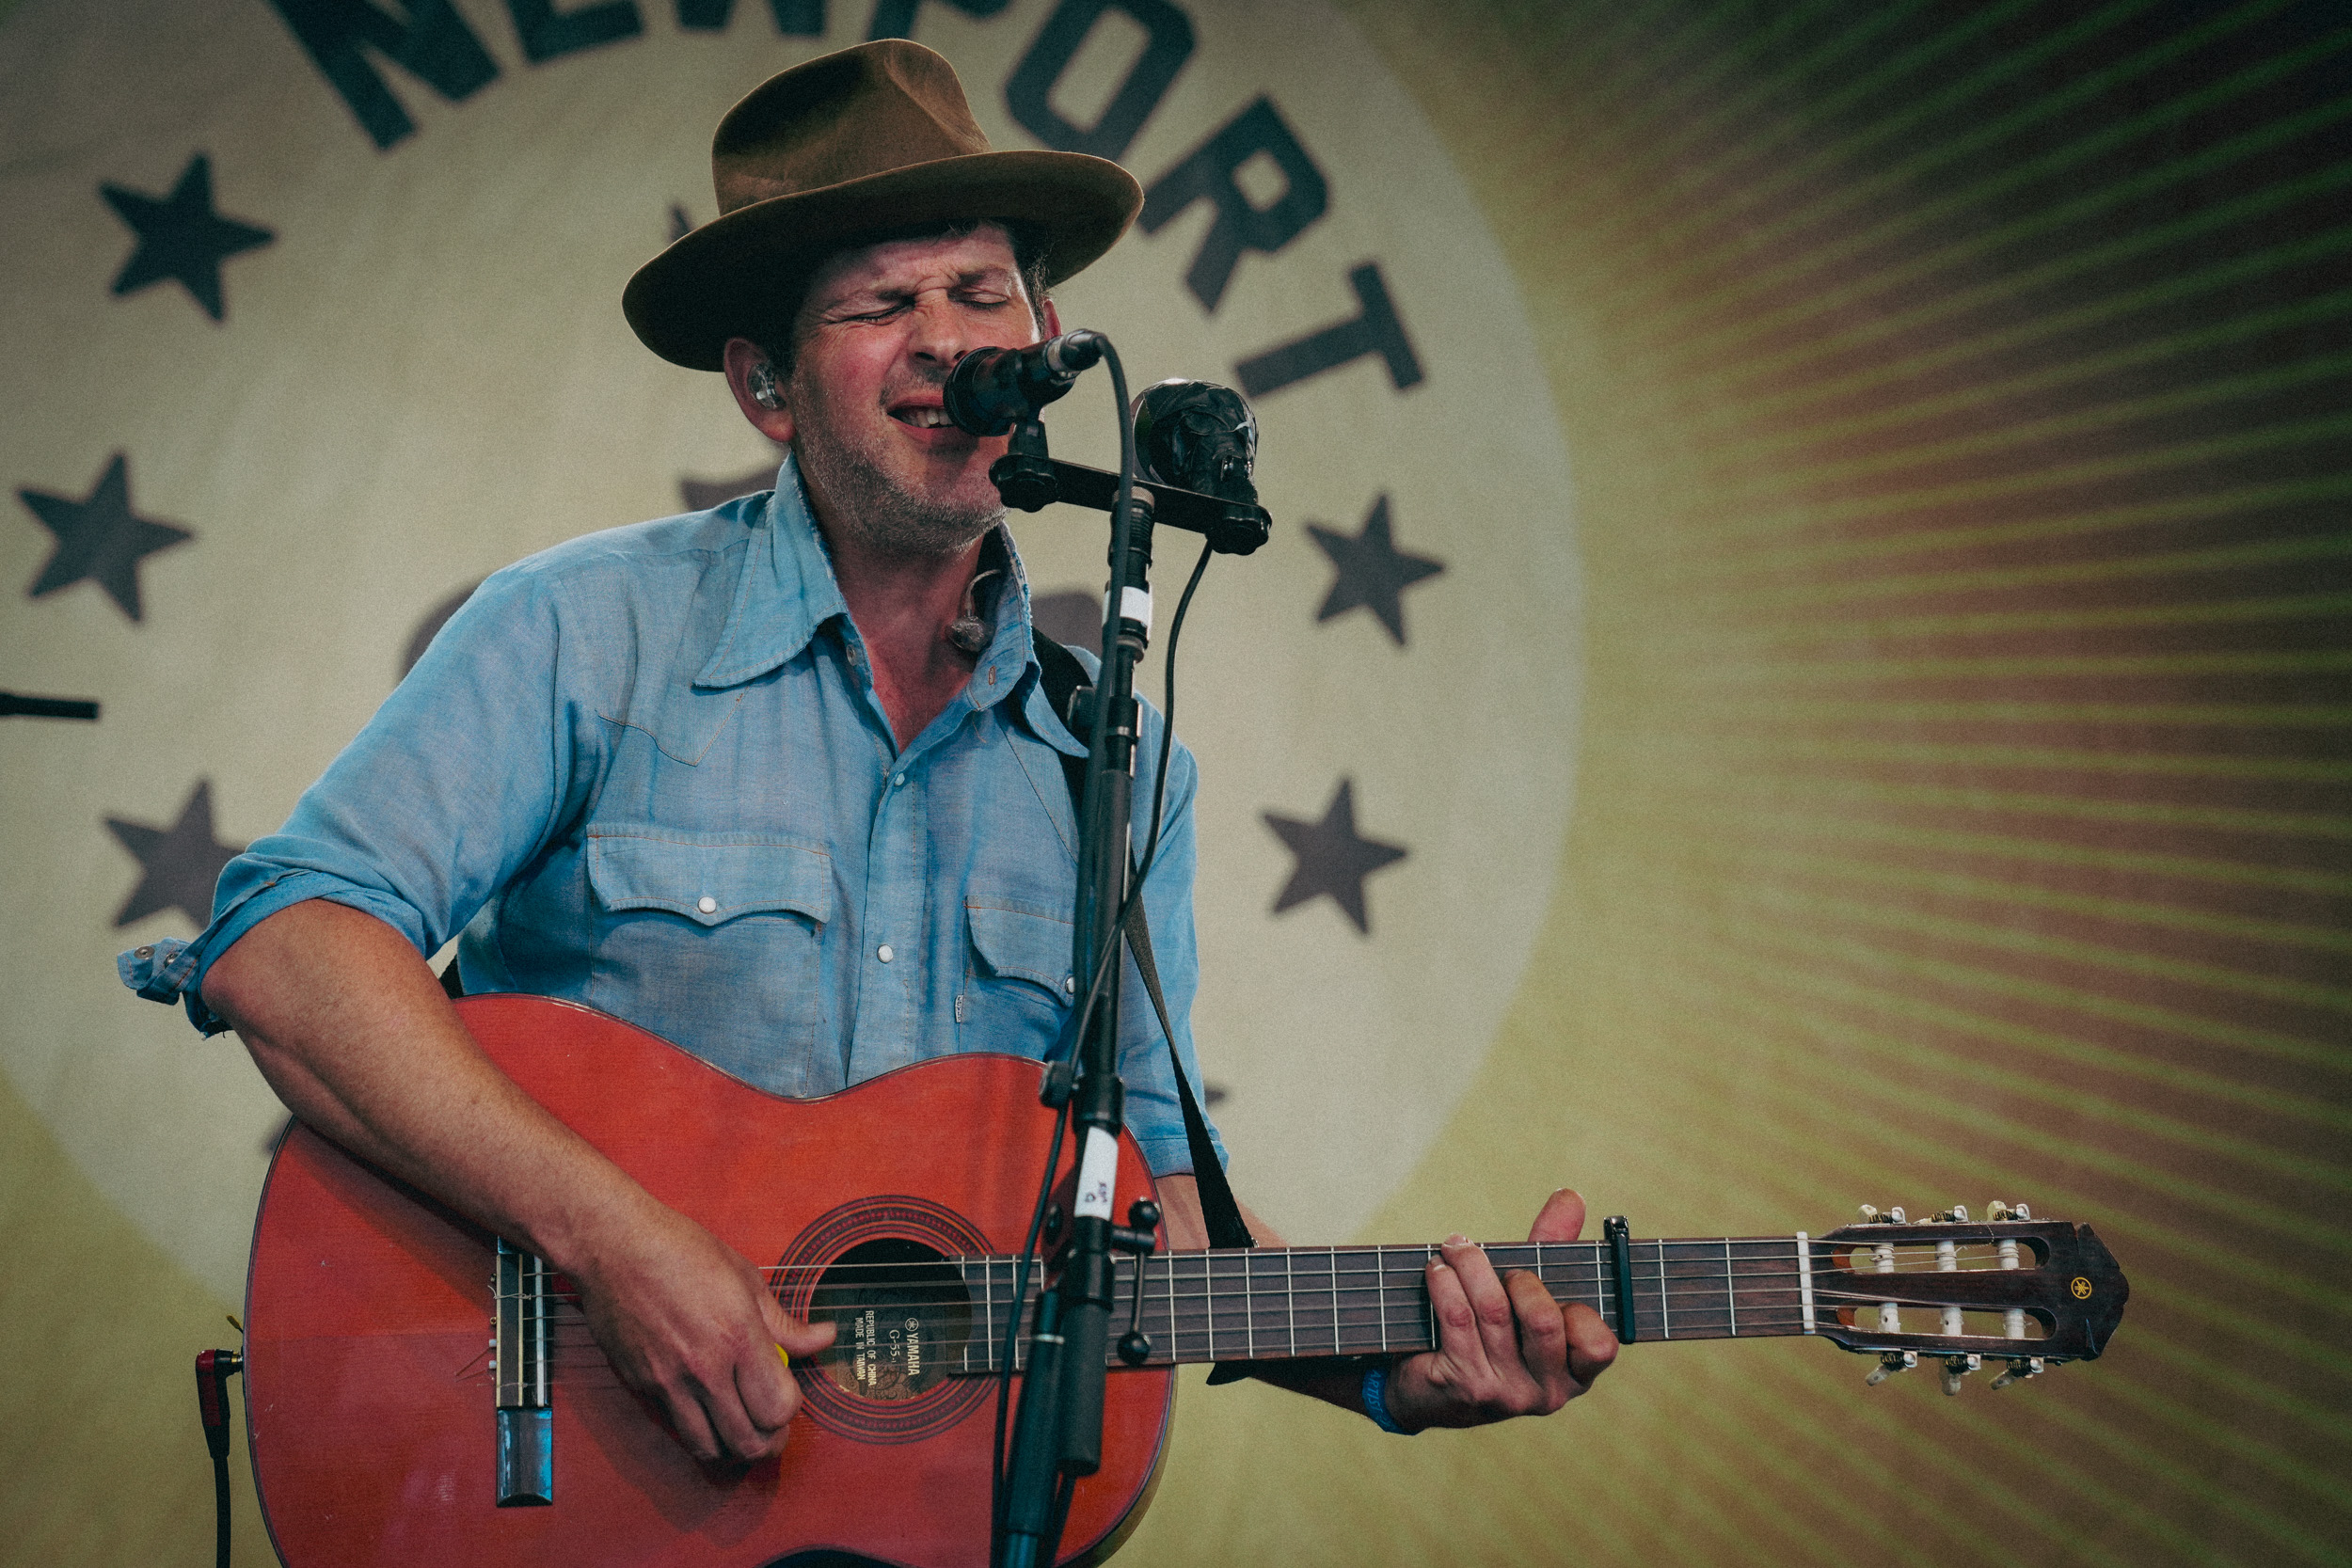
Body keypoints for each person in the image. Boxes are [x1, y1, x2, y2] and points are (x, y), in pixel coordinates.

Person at [119, 40, 1614, 1472]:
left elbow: (1151, 1207)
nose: (952, 339)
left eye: (983, 289)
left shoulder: (1120, 765)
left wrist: (1390, 1359)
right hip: (556, 1471)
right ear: (765, 389)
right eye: (885, 301)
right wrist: (615, 1242)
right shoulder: (588, 630)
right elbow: (288, 953)